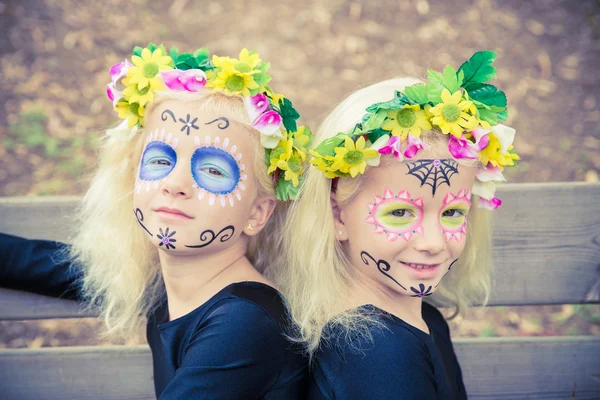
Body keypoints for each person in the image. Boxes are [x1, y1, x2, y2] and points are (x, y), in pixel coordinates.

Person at [0, 43, 311, 399]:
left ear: (257, 213)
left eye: (211, 169)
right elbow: (33, 262)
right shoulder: (165, 282)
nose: (175, 184)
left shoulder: (245, 324)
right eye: (161, 162)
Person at [276, 50, 519, 399]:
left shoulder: (420, 321)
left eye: (452, 213)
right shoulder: (375, 354)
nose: (433, 242)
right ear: (338, 214)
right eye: (400, 213)